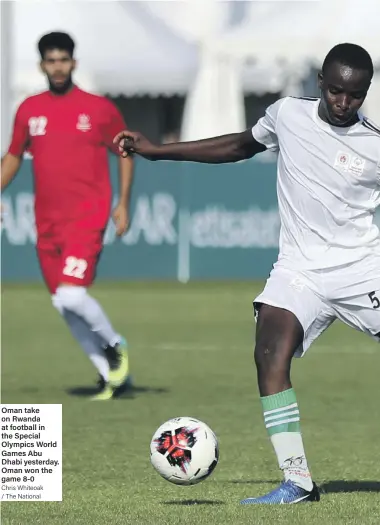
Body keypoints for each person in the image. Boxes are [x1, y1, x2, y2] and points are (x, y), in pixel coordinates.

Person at [113, 43, 380, 503]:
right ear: (320, 83)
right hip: (299, 270)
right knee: (268, 351)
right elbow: (237, 146)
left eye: (354, 95)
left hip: (362, 268)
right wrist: (158, 151)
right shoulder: (286, 116)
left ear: (366, 92)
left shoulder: (375, 145)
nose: (343, 102)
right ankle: (297, 480)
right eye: (336, 91)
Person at [1, 32, 134, 401]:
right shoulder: (29, 109)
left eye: (63, 60)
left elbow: (125, 152)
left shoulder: (99, 109)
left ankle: (114, 344)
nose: (57, 66)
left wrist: (122, 202)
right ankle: (110, 376)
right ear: (42, 65)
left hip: (87, 218)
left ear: (73, 62)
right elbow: (13, 155)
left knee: (73, 296)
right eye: (51, 60)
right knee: (62, 302)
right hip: (47, 224)